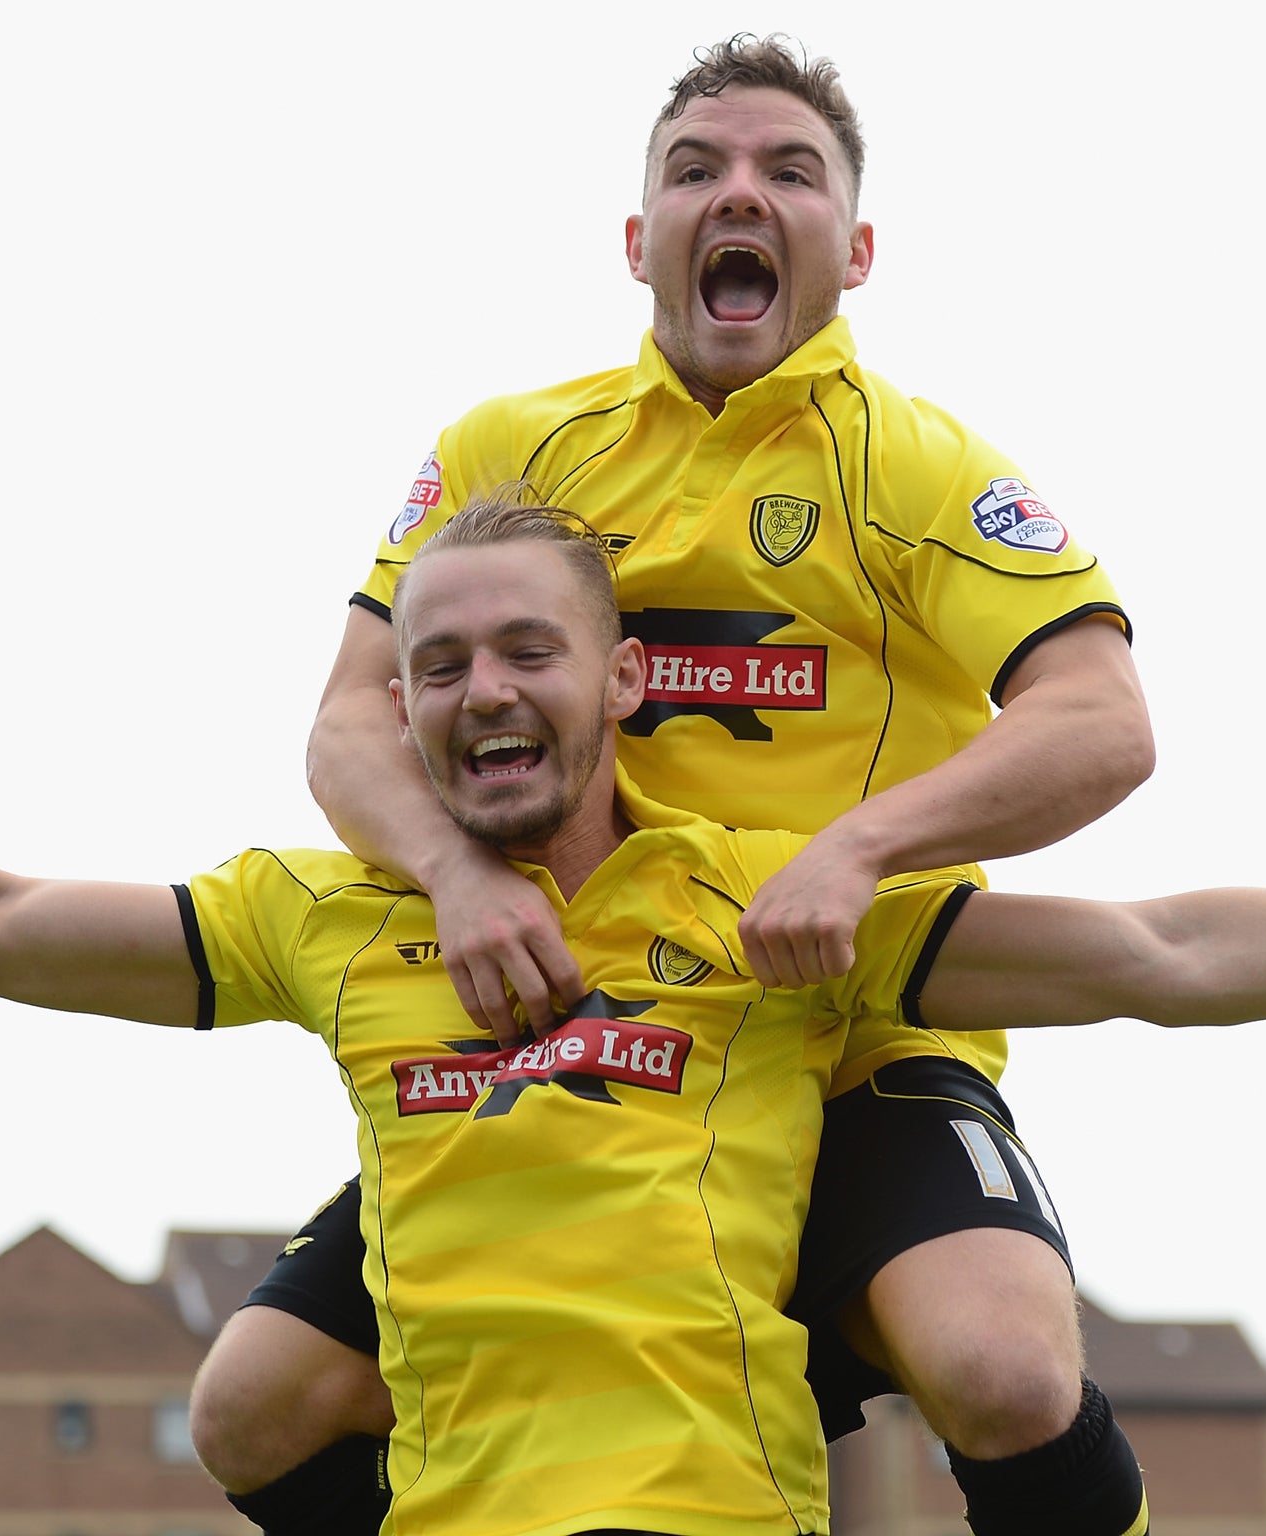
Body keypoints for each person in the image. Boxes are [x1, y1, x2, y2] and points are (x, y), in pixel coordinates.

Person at [0, 509, 1266, 1536]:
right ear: (396, 709)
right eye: (436, 664)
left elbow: (1173, 953)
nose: (482, 690)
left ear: (613, 686)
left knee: (1008, 1381)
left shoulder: (755, 920)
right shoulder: (332, 920)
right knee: (250, 1405)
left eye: (527, 651)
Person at [196, 34, 1156, 1536]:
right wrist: (458, 878)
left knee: (1006, 1376)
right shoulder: (511, 449)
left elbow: (1101, 719)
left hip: (849, 1033)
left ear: (860, 245)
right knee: (251, 1409)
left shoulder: (916, 468)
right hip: (598, 1046)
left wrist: (857, 852)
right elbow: (348, 726)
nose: (742, 194)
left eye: (792, 172)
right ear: (640, 240)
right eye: (696, 170)